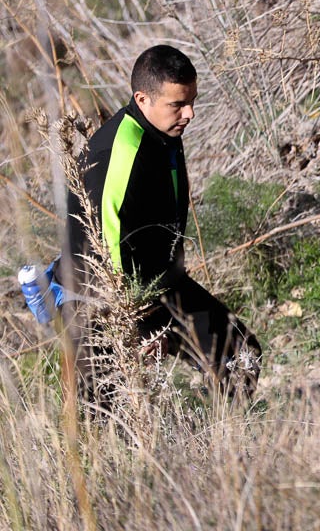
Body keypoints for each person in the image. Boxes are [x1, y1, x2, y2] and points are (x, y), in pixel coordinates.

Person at [64, 45, 261, 403]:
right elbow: (103, 254)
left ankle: (221, 450)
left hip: (160, 284)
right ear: (142, 98)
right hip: (105, 308)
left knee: (239, 355)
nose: (190, 114)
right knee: (110, 425)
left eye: (192, 101)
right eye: (177, 105)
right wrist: (139, 326)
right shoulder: (120, 152)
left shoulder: (163, 133)